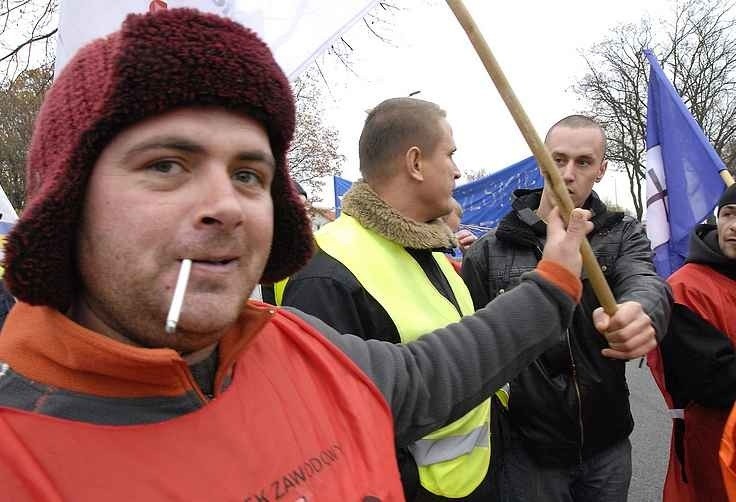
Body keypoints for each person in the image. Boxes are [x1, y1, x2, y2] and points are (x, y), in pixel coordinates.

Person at [0, 9, 596, 501]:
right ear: (69, 202)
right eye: (166, 165)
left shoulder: (295, 344)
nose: (226, 205)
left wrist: (555, 279)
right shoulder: (19, 458)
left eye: (249, 174)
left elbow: (429, 374)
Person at [282, 97, 511, 501]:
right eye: (450, 154)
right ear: (415, 163)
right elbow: (331, 441)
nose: (458, 170)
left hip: (478, 481)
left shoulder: (429, 250)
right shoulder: (327, 272)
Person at [461, 115, 672, 502]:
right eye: (557, 159)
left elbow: (646, 283)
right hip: (528, 452)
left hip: (607, 447)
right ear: (541, 160)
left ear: (602, 170)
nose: (568, 174)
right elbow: (467, 346)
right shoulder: (490, 250)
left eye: (583, 162)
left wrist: (639, 313)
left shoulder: (622, 233)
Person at [652, 183, 736, 501]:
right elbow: (716, 382)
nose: (735, 226)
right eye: (729, 214)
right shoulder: (686, 288)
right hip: (713, 448)